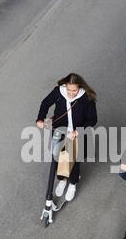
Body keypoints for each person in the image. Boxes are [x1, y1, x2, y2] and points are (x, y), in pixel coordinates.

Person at [37, 73, 97, 201]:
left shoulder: (86, 98)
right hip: (59, 129)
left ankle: (73, 183)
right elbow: (45, 103)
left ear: (80, 87)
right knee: (58, 156)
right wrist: (40, 118)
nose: (70, 93)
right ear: (65, 86)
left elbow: (92, 120)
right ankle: (62, 180)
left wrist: (77, 132)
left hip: (76, 133)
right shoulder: (59, 92)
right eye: (69, 89)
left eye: (74, 90)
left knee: (73, 160)